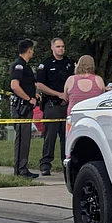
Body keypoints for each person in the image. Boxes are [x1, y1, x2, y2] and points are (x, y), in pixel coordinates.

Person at [35, 38, 74, 176]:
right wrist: (58, 94)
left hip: (67, 105)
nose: (61, 49)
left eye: (63, 46)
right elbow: (39, 85)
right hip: (52, 104)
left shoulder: (69, 63)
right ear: (52, 47)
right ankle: (45, 164)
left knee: (66, 137)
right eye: (58, 46)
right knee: (50, 137)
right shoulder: (45, 64)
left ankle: (66, 164)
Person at [9, 39, 39, 179]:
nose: (33, 52)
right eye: (32, 49)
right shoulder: (19, 66)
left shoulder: (24, 66)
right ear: (29, 50)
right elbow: (15, 85)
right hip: (21, 107)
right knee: (22, 138)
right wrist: (29, 98)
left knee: (25, 138)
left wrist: (34, 95)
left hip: (25, 107)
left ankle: (22, 167)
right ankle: (20, 169)